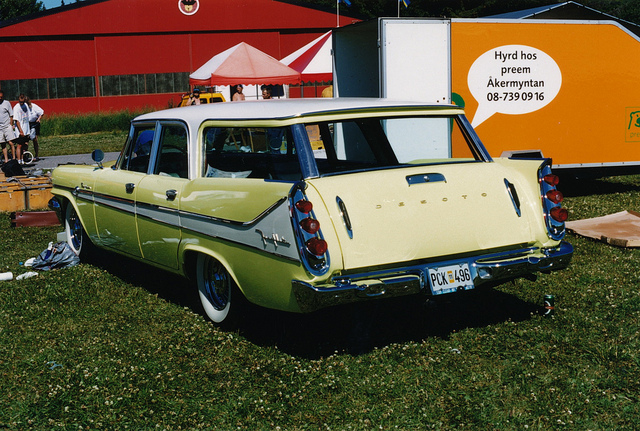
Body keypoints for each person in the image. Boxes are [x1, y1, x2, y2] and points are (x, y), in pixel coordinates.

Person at [0, 90, 21, 164]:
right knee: (2, 143)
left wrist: (11, 124)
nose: (0, 98)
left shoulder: (6, 103)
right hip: (0, 128)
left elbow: (11, 115)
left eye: (1, 97)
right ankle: (6, 160)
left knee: (11, 142)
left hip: (7, 126)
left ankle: (14, 159)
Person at [13, 94, 31, 165]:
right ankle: (19, 160)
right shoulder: (16, 108)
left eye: (23, 102)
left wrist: (27, 130)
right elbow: (17, 121)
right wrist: (21, 130)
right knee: (19, 145)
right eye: (20, 102)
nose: (21, 103)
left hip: (26, 128)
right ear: (18, 100)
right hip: (21, 130)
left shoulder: (25, 105)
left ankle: (23, 159)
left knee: (24, 145)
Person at [25, 96, 44, 160]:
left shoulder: (33, 106)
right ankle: (26, 155)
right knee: (26, 140)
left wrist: (39, 119)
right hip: (27, 124)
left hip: (34, 123)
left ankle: (36, 155)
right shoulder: (22, 107)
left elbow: (41, 112)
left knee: (34, 139)